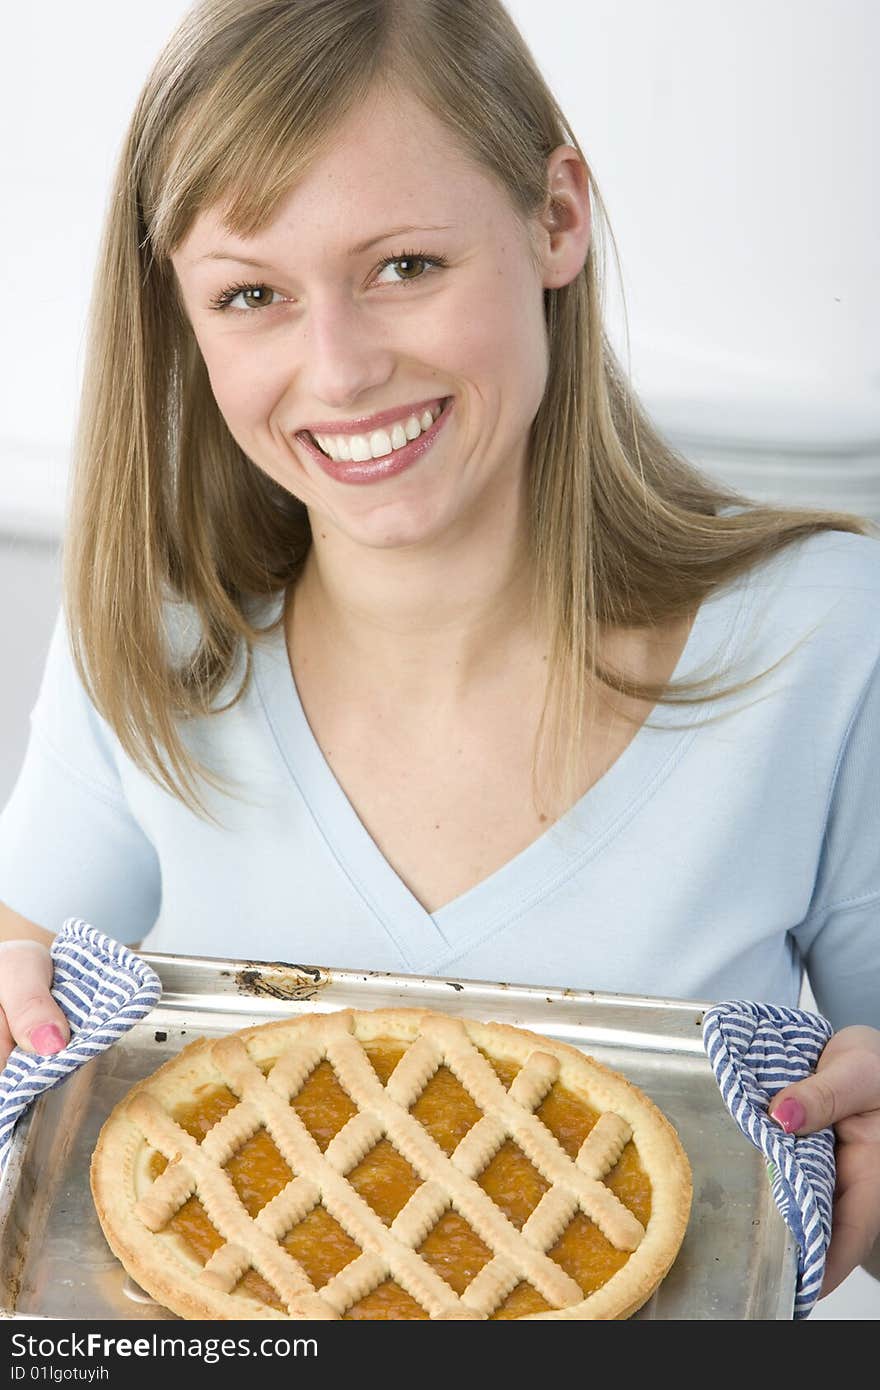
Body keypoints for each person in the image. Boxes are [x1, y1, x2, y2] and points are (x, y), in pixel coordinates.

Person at [0, 0, 877, 1301]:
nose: (341, 368)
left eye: (405, 265)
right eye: (252, 294)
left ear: (556, 218)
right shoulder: (153, 639)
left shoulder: (822, 632)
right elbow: (28, 1020)